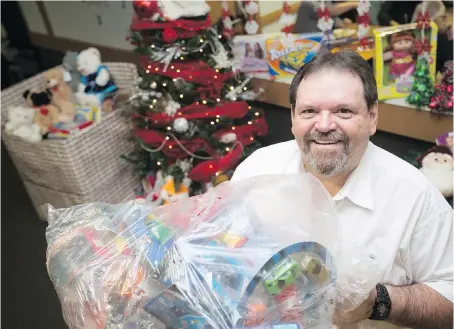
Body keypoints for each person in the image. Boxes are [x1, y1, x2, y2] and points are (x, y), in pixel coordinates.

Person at [231, 51, 453, 328]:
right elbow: (227, 252)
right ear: (292, 117)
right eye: (309, 111)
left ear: (372, 118)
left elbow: (450, 298)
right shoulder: (257, 170)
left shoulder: (414, 196)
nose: (324, 126)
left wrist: (380, 301)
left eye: (343, 111)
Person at [294, 1, 359, 34]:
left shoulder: (326, 1)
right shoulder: (308, 2)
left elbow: (331, 17)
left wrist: (341, 23)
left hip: (321, 42)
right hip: (306, 44)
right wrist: (353, 4)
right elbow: (327, 11)